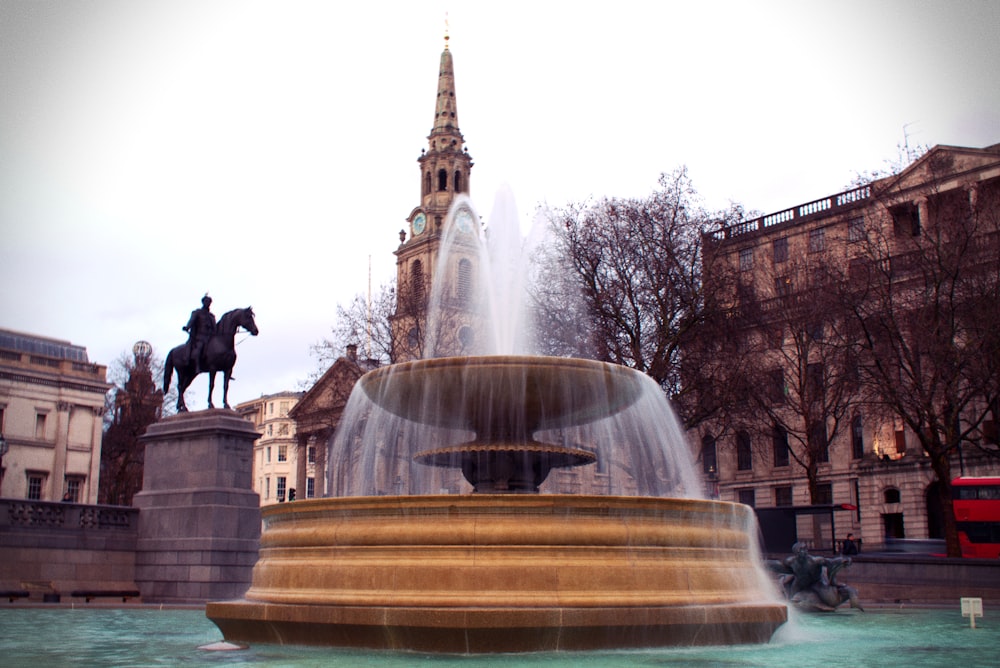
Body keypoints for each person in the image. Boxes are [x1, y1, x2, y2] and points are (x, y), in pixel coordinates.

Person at [183, 294, 216, 372]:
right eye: (206, 301)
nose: (208, 303)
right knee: (200, 347)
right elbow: (191, 321)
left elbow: (214, 327)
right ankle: (197, 366)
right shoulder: (197, 312)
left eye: (209, 302)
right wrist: (187, 327)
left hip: (209, 337)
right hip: (199, 336)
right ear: (203, 302)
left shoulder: (211, 316)